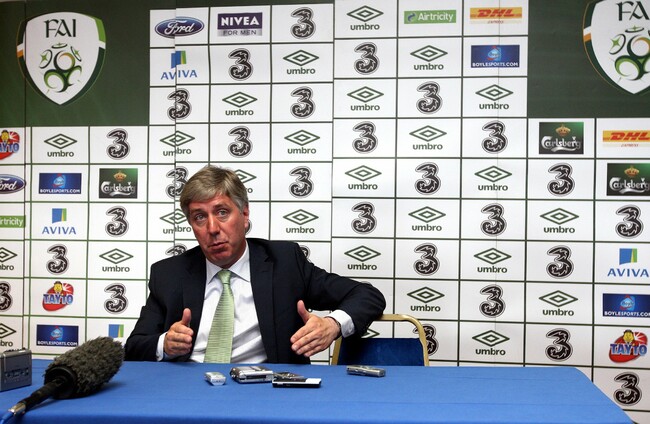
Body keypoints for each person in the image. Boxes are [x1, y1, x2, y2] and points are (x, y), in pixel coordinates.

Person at [124, 165, 386, 364]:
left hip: (266, 392)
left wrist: (332, 325)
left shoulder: (284, 262)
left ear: (245, 213)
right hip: (189, 391)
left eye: (222, 212)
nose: (212, 228)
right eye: (200, 217)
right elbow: (135, 347)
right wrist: (165, 345)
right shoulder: (169, 274)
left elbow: (367, 295)